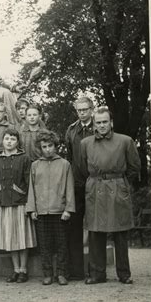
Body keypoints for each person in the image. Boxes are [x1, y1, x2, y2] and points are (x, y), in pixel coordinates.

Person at [79, 107, 141, 285]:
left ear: (111, 122)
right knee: (95, 232)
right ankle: (97, 274)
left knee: (120, 233)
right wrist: (96, 181)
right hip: (95, 188)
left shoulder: (125, 141)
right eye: (98, 122)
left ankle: (124, 274)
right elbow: (82, 169)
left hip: (117, 187)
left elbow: (135, 167)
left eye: (105, 121)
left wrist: (120, 184)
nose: (102, 125)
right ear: (94, 124)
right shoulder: (85, 143)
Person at [27, 130, 75, 286]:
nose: (47, 149)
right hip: (41, 212)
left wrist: (68, 209)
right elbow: (31, 189)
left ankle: (62, 273)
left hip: (59, 211)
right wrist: (32, 209)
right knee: (44, 245)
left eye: (50, 146)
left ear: (56, 146)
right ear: (40, 148)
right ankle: (47, 274)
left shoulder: (64, 164)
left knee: (62, 244)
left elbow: (69, 188)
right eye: (44, 146)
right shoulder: (35, 165)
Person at [0, 129, 35, 283]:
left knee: (21, 238)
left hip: (20, 202)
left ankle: (24, 270)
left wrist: (29, 203)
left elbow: (29, 182)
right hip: (4, 202)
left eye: (12, 139)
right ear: (2, 141)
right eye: (7, 139)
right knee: (10, 238)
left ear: (17, 142)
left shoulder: (24, 158)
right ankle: (15, 270)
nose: (9, 142)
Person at [64, 96, 95, 280]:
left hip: (94, 183)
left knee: (94, 227)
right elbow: (70, 156)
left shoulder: (97, 127)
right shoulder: (71, 130)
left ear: (91, 109)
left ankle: (95, 270)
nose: (82, 113)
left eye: (85, 109)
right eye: (79, 110)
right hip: (76, 185)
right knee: (74, 228)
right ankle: (76, 271)